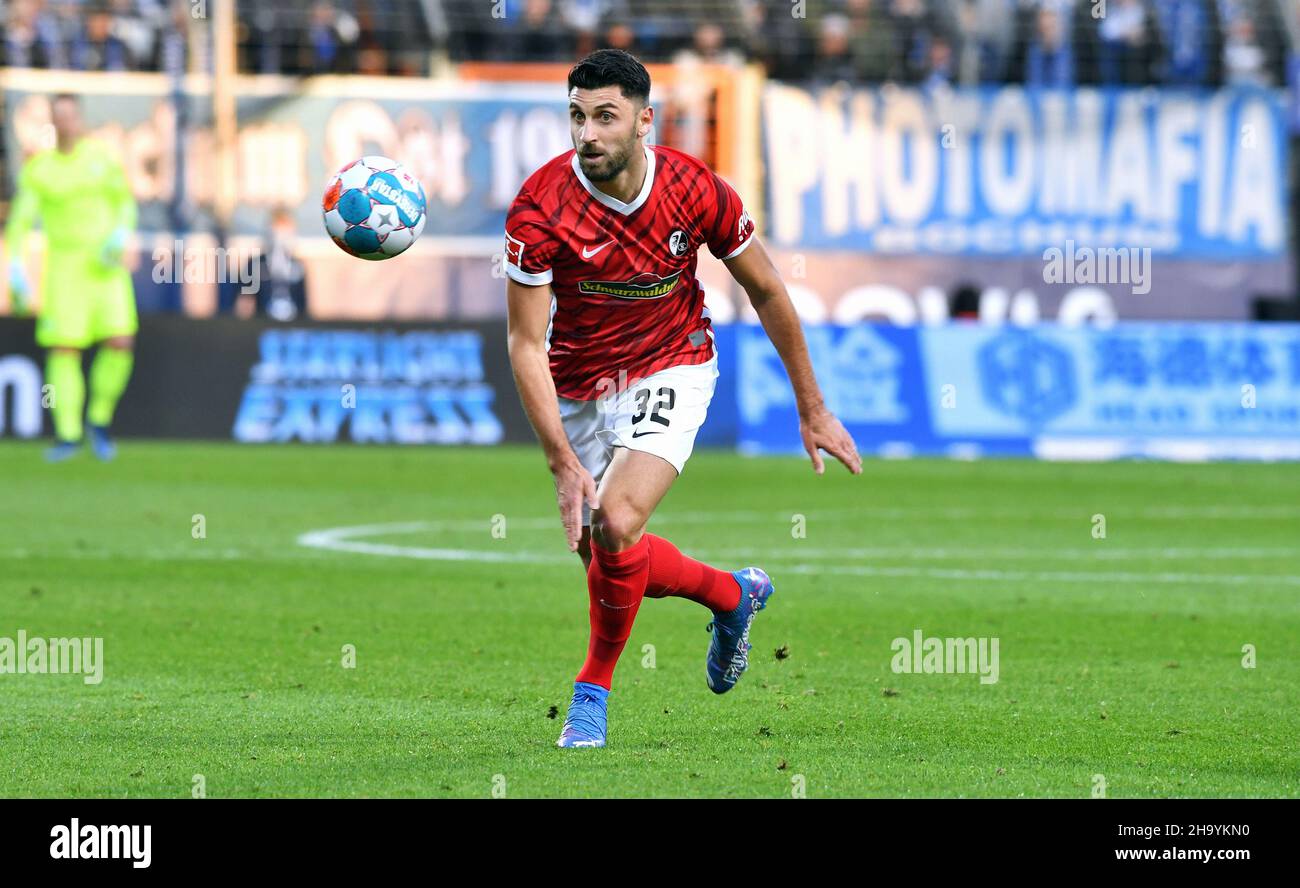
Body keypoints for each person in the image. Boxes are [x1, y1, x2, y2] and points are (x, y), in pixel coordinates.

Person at [504, 49, 861, 749]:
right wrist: (558, 459)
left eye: (605, 117)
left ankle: (591, 694)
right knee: (605, 551)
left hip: (672, 364)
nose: (588, 134)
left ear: (645, 122)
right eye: (576, 117)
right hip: (577, 384)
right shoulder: (539, 206)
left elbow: (765, 289)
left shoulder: (697, 190)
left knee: (617, 521)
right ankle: (732, 596)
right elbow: (523, 343)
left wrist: (812, 406)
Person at [5, 93, 138, 461]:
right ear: (53, 122)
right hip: (64, 268)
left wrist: (121, 234)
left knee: (120, 342)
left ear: (80, 119)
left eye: (71, 116)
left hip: (105, 266)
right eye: (59, 117)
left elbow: (124, 202)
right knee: (65, 349)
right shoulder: (39, 170)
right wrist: (15, 266)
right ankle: (68, 433)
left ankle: (99, 418)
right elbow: (20, 221)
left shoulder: (100, 160)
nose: (66, 123)